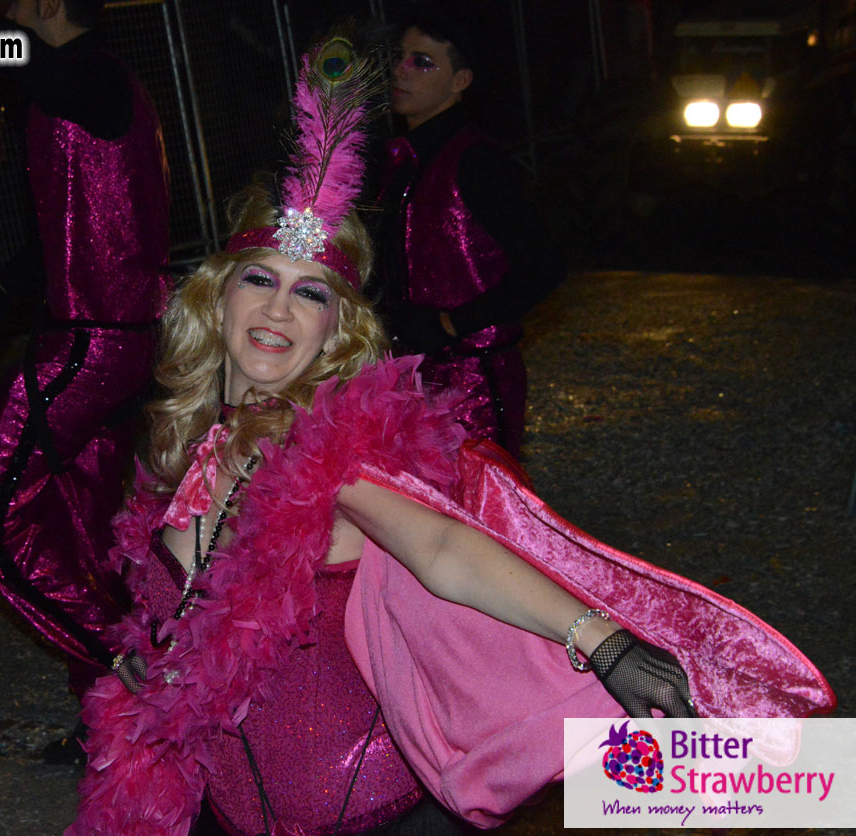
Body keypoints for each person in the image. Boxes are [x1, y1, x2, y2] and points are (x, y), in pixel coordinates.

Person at [65, 36, 833, 836]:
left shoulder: (326, 446)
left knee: (764, 780)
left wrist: (601, 642)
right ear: (216, 302)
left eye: (310, 294)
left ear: (333, 333)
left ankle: (790, 782)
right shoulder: (180, 447)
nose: (277, 309)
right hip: (225, 812)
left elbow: (439, 547)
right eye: (259, 279)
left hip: (369, 813)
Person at [0, 0, 170, 718]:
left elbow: (30, 65)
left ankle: (126, 662)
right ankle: (112, 717)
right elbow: (73, 225)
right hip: (105, 341)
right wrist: (1, 288)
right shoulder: (85, 85)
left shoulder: (94, 78)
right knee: (85, 531)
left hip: (90, 347)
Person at [376, 4, 565, 459]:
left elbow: (544, 267)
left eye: (423, 62)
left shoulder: (478, 161)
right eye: (400, 56)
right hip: (403, 372)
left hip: (471, 383)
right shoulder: (402, 158)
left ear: (460, 81)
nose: (401, 70)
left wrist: (449, 324)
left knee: (476, 507)